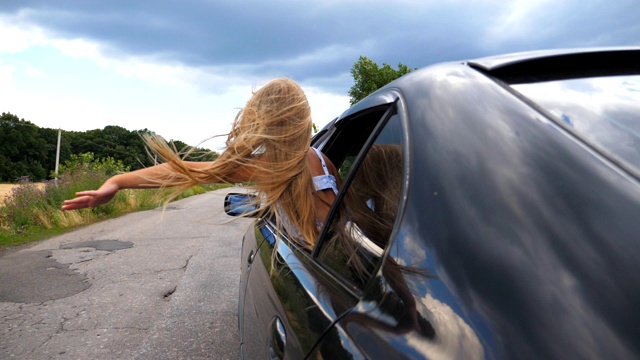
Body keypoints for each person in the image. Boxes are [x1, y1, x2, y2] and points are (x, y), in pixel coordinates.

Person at [62, 78, 341, 249]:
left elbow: (180, 170)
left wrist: (117, 182)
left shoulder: (269, 166)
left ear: (262, 119)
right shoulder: (324, 159)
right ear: (303, 120)